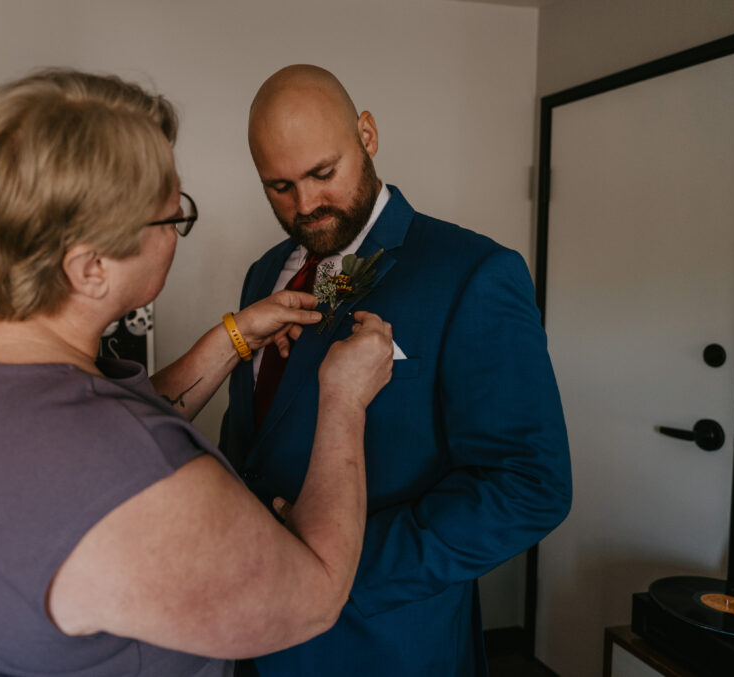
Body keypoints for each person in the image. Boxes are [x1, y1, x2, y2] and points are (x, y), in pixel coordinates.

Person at [0, 68, 395, 677]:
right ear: (91, 267)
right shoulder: (122, 467)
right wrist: (343, 399)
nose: (179, 233)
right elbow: (316, 594)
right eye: (173, 218)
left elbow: (78, 431)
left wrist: (232, 337)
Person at [219, 64, 572, 676]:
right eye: (278, 186)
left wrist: (330, 565)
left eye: (321, 174)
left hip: (386, 642)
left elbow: (528, 485)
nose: (304, 206)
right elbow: (250, 442)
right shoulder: (263, 274)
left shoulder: (474, 273)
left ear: (368, 135)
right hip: (256, 632)